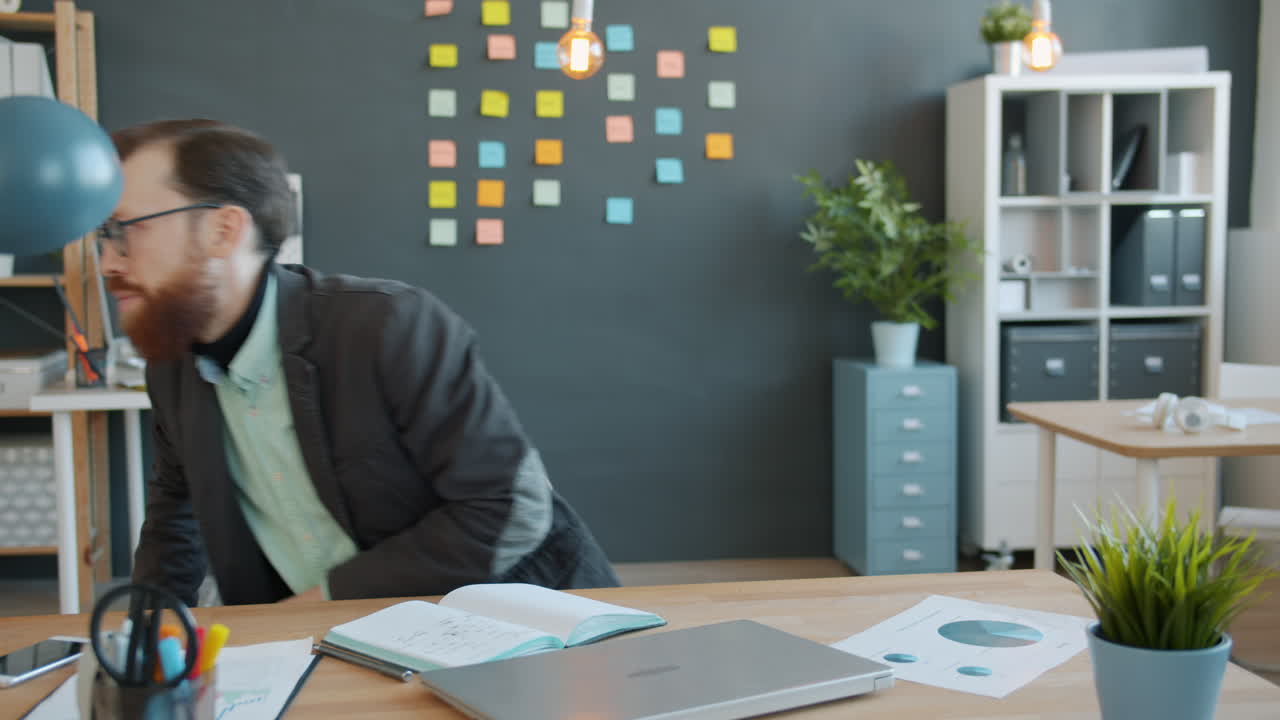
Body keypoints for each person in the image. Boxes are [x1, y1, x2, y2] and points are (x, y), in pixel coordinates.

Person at [100, 119, 619, 606]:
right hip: (335, 649)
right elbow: (176, 514)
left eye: (128, 230)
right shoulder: (172, 366)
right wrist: (152, 637)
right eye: (104, 235)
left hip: (523, 624)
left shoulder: (389, 326)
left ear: (223, 231)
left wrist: (318, 606)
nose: (108, 262)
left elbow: (508, 509)